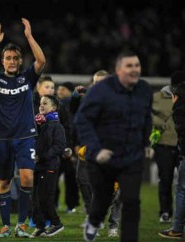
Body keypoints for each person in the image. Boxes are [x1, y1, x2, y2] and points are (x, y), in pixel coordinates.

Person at [74, 51, 153, 242]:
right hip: (103, 155)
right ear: (118, 70)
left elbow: (146, 118)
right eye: (129, 66)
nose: (134, 69)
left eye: (137, 65)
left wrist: (146, 143)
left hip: (131, 156)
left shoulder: (144, 90)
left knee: (131, 201)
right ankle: (93, 221)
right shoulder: (99, 91)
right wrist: (96, 148)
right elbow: (82, 120)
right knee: (101, 198)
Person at [0, 18, 46, 238]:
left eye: (16, 58)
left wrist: (29, 37)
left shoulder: (27, 78)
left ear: (20, 60)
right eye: (8, 58)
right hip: (2, 138)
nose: (12, 61)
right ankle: (6, 225)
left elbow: (41, 60)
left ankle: (22, 224)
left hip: (26, 137)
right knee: (5, 182)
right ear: (3, 61)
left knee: (27, 178)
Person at [30, 95, 66, 238]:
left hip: (49, 166)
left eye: (45, 103)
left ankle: (56, 223)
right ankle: (40, 226)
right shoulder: (40, 125)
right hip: (38, 166)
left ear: (54, 108)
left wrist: (42, 156)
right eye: (40, 104)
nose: (41, 106)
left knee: (44, 197)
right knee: (34, 198)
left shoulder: (57, 126)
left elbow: (59, 147)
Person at [152, 71, 183, 224]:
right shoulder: (157, 97)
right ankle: (165, 212)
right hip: (164, 144)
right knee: (165, 180)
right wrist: (158, 122)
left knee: (183, 184)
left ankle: (180, 215)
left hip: (182, 144)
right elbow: (146, 114)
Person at [159, 82, 185, 239]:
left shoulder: (179, 110)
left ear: (176, 97)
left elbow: (182, 130)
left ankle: (176, 228)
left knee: (182, 190)